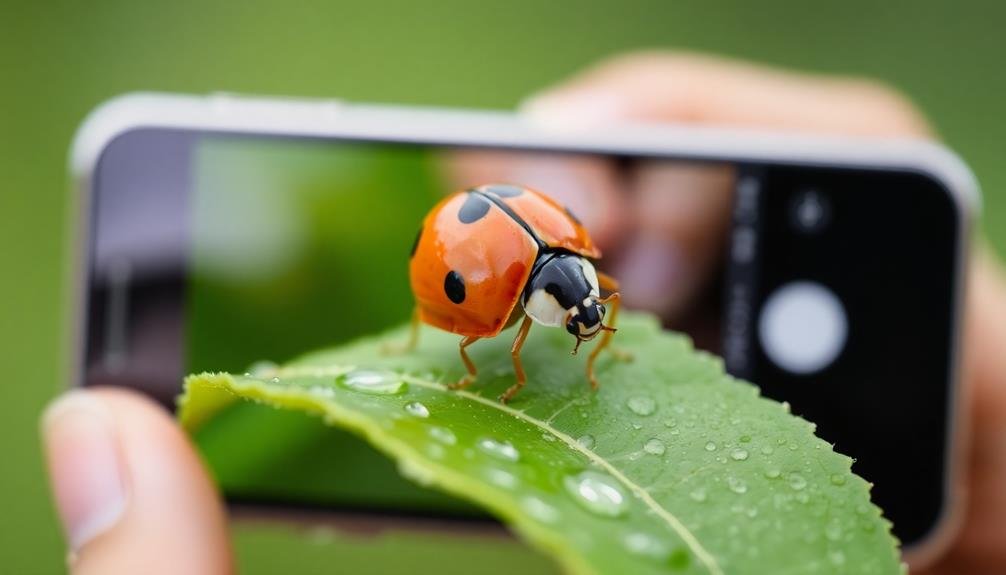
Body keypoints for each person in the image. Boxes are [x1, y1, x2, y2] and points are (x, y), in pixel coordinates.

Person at [42, 52, 1006, 575]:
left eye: (585, 310)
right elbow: (474, 309)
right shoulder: (507, 297)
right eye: (581, 314)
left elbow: (570, 285)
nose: (589, 318)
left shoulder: (573, 266)